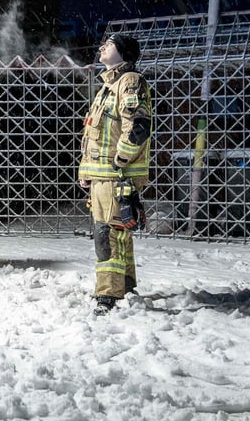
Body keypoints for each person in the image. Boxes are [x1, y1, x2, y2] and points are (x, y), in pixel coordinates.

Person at [78, 33, 153, 315]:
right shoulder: (107, 88)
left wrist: (121, 159)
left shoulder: (129, 82)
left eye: (107, 45)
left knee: (107, 234)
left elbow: (137, 126)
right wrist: (86, 169)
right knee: (118, 232)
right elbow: (95, 136)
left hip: (115, 175)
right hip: (103, 176)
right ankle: (126, 285)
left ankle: (108, 293)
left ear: (123, 53)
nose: (100, 47)